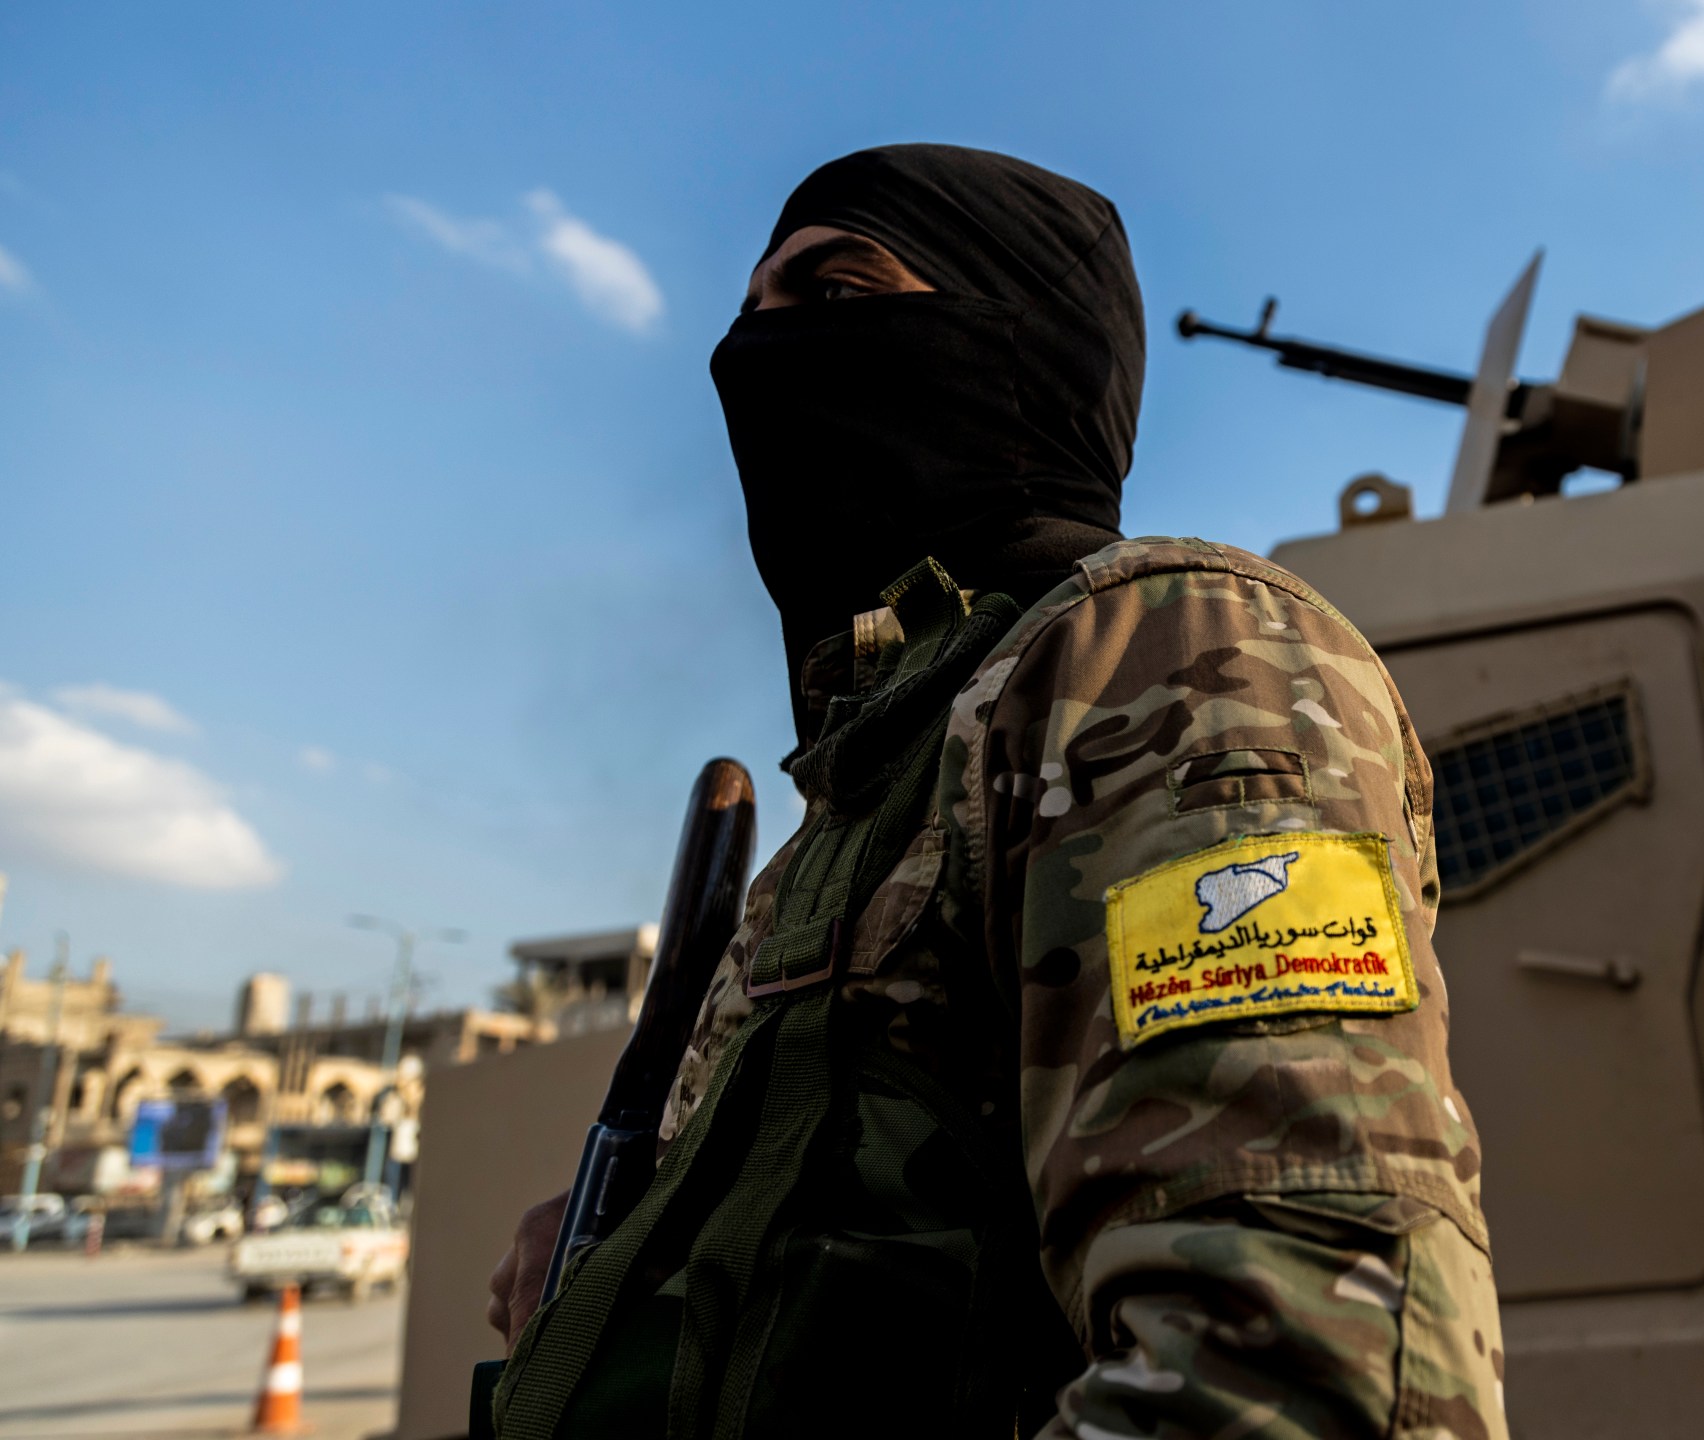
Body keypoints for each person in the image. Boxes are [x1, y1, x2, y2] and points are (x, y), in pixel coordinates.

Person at [483, 145, 1505, 1437]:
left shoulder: (1170, 653)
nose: (756, 355)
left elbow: (1295, 1376)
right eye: (751, 316)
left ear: (1019, 341)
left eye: (837, 296)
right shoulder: (879, 778)